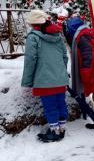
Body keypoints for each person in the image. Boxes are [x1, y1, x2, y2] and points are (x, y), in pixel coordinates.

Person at [21, 9, 70, 143]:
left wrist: (27, 81)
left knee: (50, 106)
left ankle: (54, 131)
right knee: (61, 103)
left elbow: (31, 60)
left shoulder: (33, 37)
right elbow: (64, 57)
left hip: (44, 79)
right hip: (60, 79)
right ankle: (62, 128)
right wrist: (61, 72)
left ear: (34, 24)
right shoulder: (58, 36)